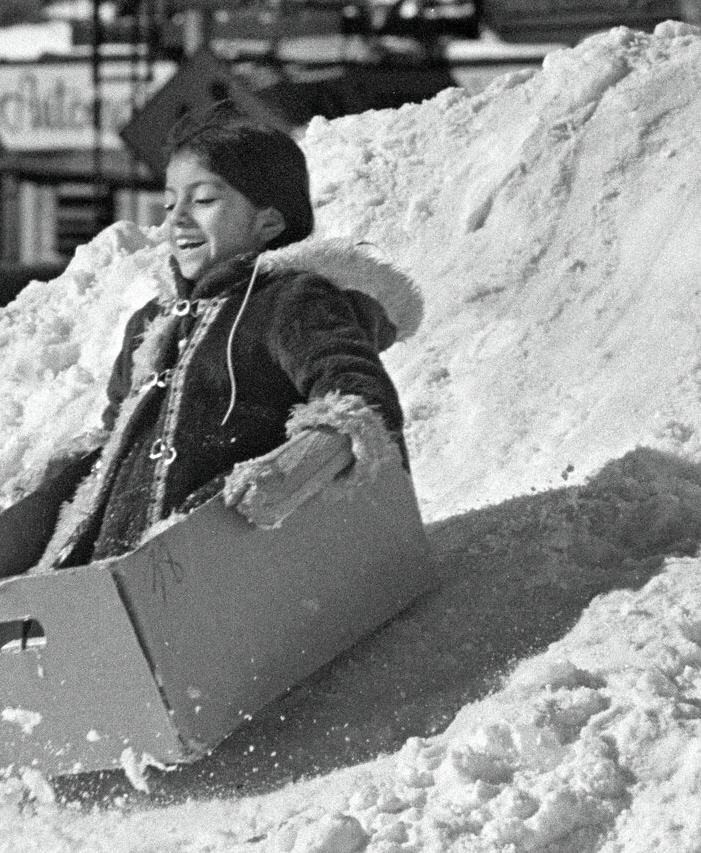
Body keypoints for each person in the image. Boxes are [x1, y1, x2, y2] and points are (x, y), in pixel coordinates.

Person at [37, 109, 419, 569]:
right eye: (169, 204)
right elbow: (119, 429)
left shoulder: (289, 302)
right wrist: (72, 474)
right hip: (123, 570)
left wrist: (290, 471)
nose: (177, 220)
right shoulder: (153, 323)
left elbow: (359, 399)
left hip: (236, 562)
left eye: (203, 200)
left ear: (269, 222)